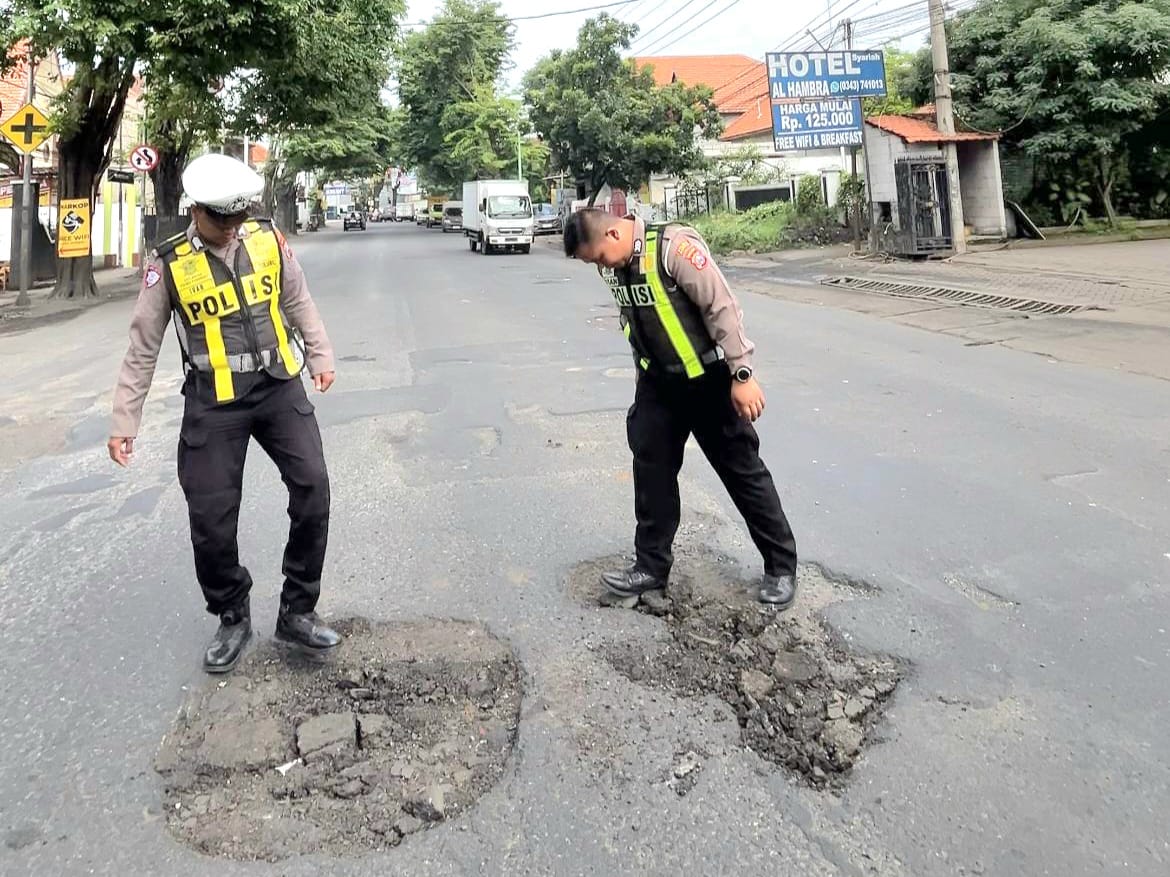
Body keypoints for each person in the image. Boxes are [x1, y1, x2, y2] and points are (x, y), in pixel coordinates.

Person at [107, 153, 342, 673]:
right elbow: (143, 346)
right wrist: (126, 419)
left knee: (313, 487)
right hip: (214, 398)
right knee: (210, 518)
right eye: (222, 220)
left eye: (238, 218)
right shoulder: (167, 263)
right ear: (196, 210)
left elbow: (296, 298)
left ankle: (297, 610)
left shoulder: (264, 237)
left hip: (278, 384)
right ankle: (232, 612)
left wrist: (320, 353)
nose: (232, 229)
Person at [563, 208, 798, 608]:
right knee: (650, 472)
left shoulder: (674, 249)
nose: (600, 267)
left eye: (599, 257)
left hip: (707, 383)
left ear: (614, 234)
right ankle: (650, 568)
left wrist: (742, 375)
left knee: (743, 473)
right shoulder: (616, 267)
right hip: (658, 385)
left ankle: (781, 567)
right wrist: (642, 381)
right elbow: (636, 323)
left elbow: (721, 306)